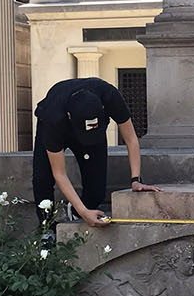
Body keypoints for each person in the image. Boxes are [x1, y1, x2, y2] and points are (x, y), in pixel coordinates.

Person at [31, 76, 159, 227]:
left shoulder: (110, 97)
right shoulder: (53, 118)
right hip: (58, 126)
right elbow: (59, 173)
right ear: (69, 116)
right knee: (42, 177)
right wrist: (84, 211)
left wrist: (136, 180)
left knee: (97, 189)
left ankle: (79, 211)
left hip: (93, 131)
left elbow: (131, 139)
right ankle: (47, 228)